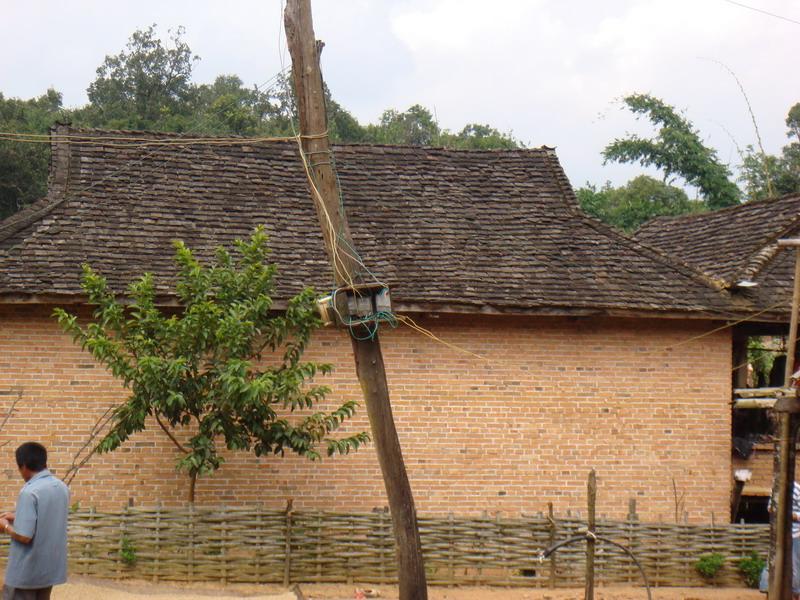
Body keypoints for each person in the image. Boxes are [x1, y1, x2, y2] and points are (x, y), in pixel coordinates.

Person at [0, 443, 69, 600]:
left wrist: (5, 526)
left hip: (26, 573)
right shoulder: (61, 487)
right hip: (48, 571)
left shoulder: (29, 491)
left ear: (23, 466)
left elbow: (24, 536)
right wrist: (18, 517)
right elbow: (48, 519)